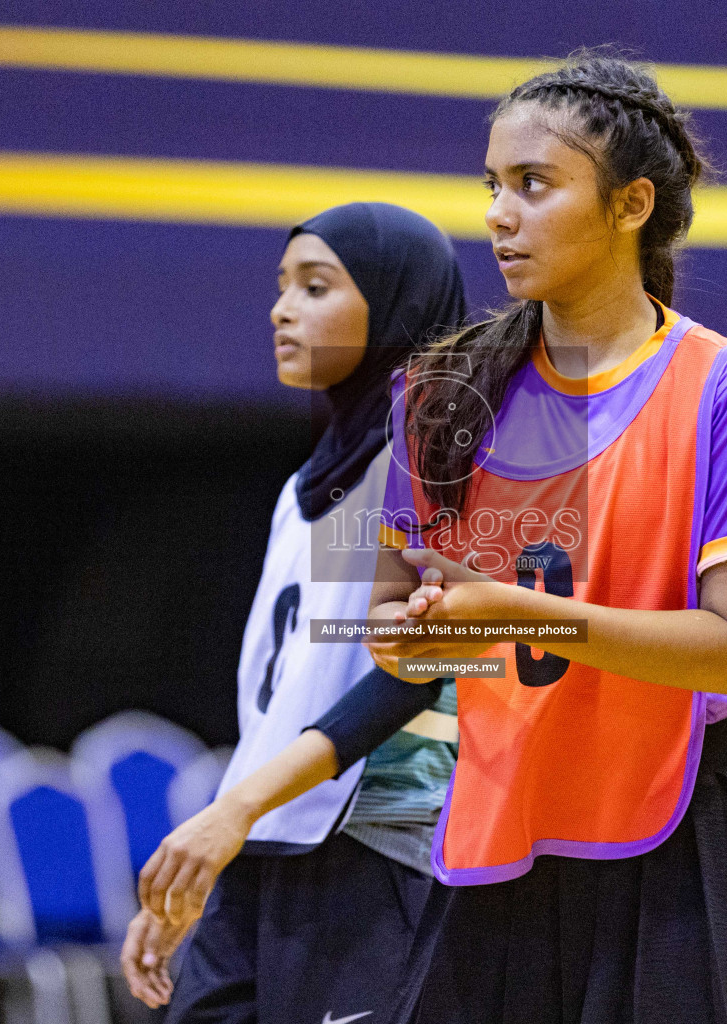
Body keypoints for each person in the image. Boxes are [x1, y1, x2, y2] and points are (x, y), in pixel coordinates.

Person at [364, 51, 727, 1024]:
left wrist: (521, 614)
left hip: (695, 835)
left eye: (534, 184)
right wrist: (421, 634)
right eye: (492, 185)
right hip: (508, 820)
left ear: (631, 204)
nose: (498, 213)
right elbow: (389, 639)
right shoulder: (435, 395)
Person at [119, 203, 468, 1024]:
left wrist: (233, 813)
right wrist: (211, 846)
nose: (282, 309)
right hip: (270, 836)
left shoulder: (438, 464)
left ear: (396, 305)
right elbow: (277, 704)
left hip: (379, 843)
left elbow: (417, 677)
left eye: (315, 286)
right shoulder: (302, 486)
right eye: (282, 287)